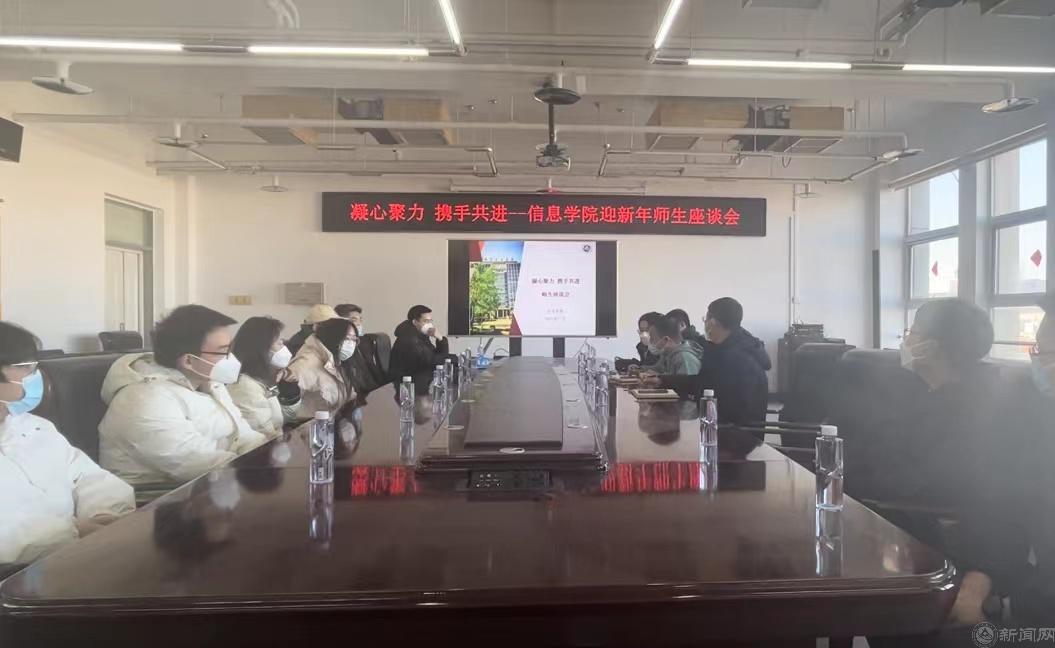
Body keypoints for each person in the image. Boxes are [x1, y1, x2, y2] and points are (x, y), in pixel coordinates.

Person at [0, 322, 135, 564]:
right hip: (18, 578)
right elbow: (10, 537)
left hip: (76, 558)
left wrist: (102, 516)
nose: (36, 376)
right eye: (26, 368)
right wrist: (73, 533)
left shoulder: (34, 427)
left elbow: (89, 477)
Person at [99, 305, 268, 486]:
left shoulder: (210, 383)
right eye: (223, 351)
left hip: (217, 483)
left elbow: (243, 434)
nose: (231, 358)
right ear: (188, 360)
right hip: (161, 496)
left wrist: (268, 453)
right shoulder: (144, 399)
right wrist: (263, 468)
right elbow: (197, 462)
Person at [648, 297, 771, 425]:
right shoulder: (721, 348)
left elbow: (730, 407)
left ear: (712, 322)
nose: (705, 324)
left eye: (705, 320)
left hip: (735, 431)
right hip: (715, 424)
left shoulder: (738, 358)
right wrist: (662, 380)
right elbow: (702, 382)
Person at [228, 316, 301, 439]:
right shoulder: (245, 386)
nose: (284, 347)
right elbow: (265, 436)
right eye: (279, 343)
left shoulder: (263, 378)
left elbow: (278, 420)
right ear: (261, 349)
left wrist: (289, 392)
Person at [287, 317, 357, 420]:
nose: (351, 344)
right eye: (347, 338)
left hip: (335, 424)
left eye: (354, 339)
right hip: (308, 427)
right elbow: (288, 410)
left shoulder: (340, 361)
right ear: (332, 337)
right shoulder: (304, 365)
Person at [390, 305, 452, 394]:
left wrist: (440, 339)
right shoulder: (409, 340)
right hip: (409, 389)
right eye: (426, 321)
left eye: (430, 321)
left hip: (419, 381)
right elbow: (435, 362)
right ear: (415, 322)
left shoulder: (420, 336)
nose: (429, 325)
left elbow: (434, 355)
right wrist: (441, 340)